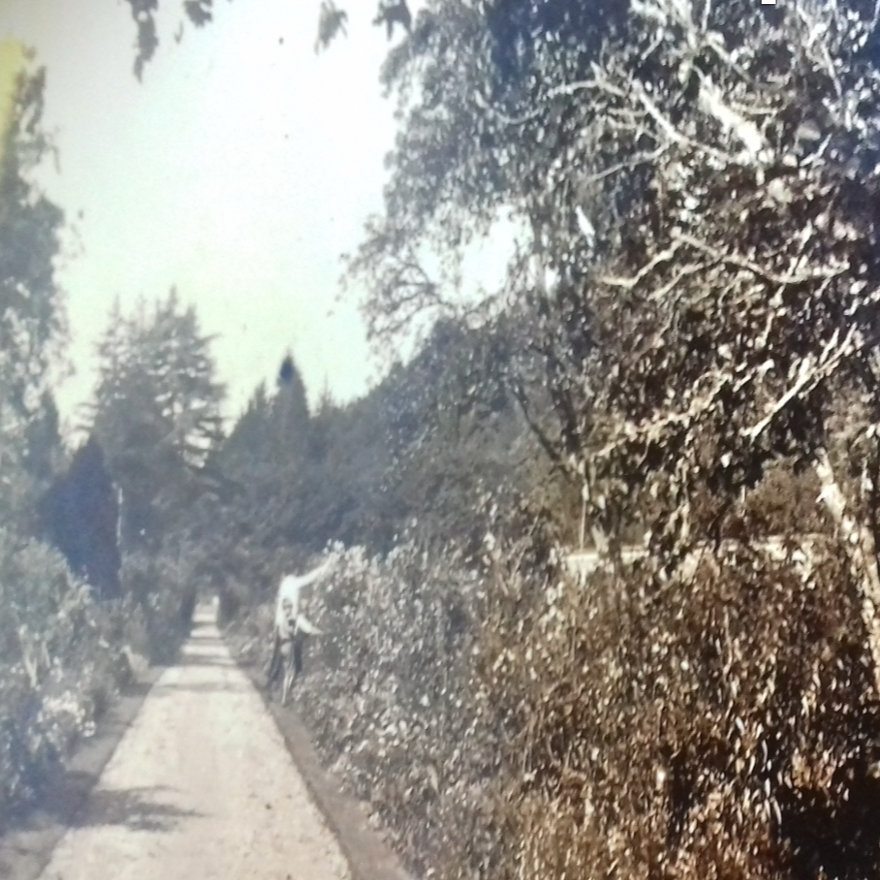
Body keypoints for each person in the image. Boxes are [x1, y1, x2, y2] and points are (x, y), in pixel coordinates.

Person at [265, 559, 334, 691]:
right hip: (290, 622)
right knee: (294, 652)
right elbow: (310, 578)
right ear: (294, 572)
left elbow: (280, 606)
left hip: (280, 623)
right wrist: (324, 566)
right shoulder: (294, 583)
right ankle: (291, 681)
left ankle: (272, 682)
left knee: (278, 655)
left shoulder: (283, 585)